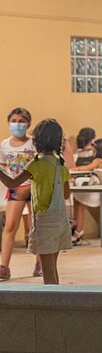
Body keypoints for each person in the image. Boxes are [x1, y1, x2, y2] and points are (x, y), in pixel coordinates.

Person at [0, 119, 70, 285]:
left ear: (36, 141)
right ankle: (58, 300)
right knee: (53, 268)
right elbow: (66, 194)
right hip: (61, 223)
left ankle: (51, 306)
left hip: (45, 223)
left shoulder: (36, 164)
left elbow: (12, 183)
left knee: (47, 273)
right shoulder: (61, 165)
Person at [0, 107, 35, 281]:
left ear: (28, 123)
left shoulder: (33, 143)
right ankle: (4, 266)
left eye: (21, 121)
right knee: (10, 226)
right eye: (14, 121)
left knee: (36, 228)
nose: (17, 124)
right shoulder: (5, 145)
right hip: (16, 188)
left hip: (35, 188)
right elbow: (4, 167)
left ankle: (40, 263)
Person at [70, 136, 102, 244]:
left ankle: (78, 230)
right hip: (99, 190)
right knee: (77, 198)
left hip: (100, 193)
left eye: (93, 150)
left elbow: (86, 168)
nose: (92, 152)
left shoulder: (98, 160)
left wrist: (71, 169)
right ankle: (76, 224)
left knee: (79, 202)